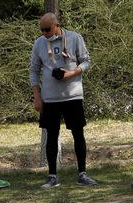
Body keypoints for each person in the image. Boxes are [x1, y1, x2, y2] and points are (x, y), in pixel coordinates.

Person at [29, 12, 97, 188]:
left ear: (57, 25)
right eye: (42, 30)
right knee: (51, 135)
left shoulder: (74, 38)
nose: (45, 33)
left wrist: (72, 73)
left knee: (78, 133)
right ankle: (52, 176)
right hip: (50, 98)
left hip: (72, 95)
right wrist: (37, 96)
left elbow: (87, 61)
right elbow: (34, 71)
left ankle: (82, 173)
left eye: (47, 29)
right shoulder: (39, 43)